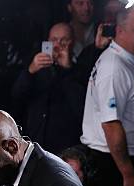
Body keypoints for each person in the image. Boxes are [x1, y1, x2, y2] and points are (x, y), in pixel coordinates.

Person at [80, 6, 134, 186]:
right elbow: (111, 125)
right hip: (114, 166)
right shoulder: (114, 67)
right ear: (120, 31)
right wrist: (128, 175)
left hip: (121, 162)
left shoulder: (127, 59)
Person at [11, 22, 85, 154]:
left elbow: (80, 106)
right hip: (36, 143)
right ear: (47, 42)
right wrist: (30, 71)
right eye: (54, 40)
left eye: (64, 40)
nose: (58, 45)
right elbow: (17, 96)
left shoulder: (79, 70)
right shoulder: (36, 66)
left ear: (72, 42)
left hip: (66, 147)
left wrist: (67, 70)